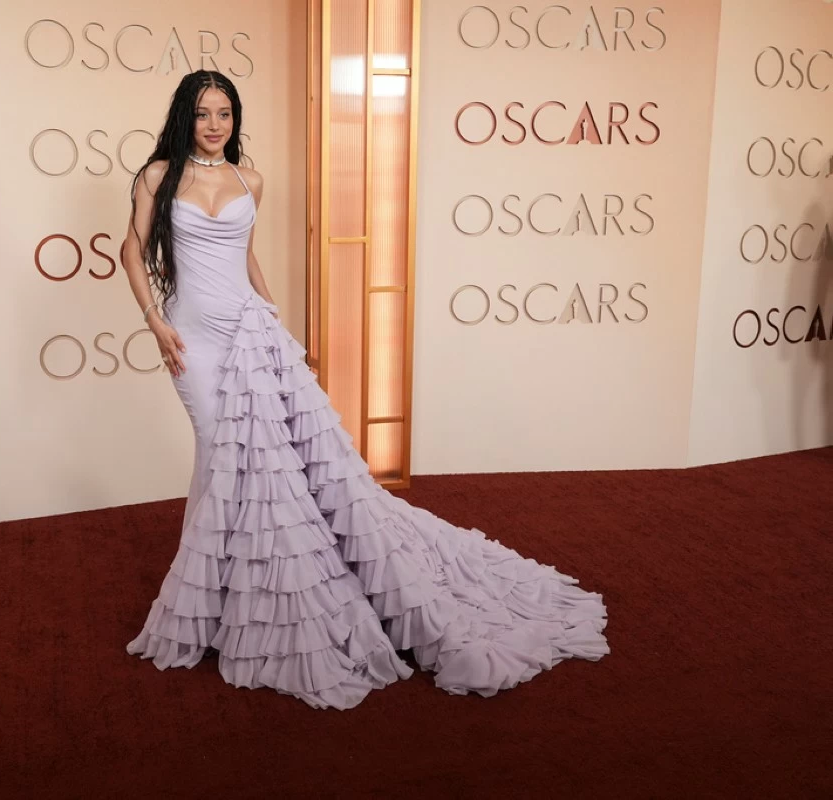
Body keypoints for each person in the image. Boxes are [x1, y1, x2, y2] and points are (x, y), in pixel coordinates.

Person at [120, 70, 609, 710]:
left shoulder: (250, 180)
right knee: (219, 453)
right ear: (185, 116)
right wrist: (155, 322)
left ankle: (220, 603)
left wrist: (275, 322)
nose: (215, 126)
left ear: (235, 120)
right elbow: (133, 250)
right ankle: (212, 602)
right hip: (193, 336)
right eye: (204, 114)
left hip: (249, 332)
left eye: (226, 114)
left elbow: (244, 257)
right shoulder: (157, 175)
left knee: (251, 466)